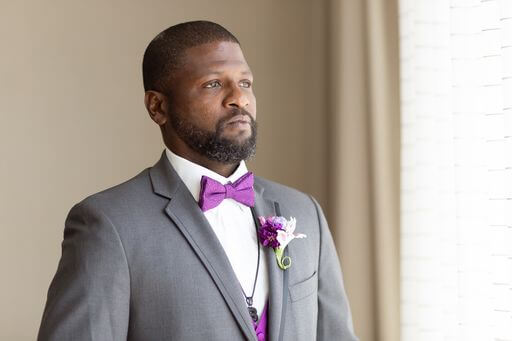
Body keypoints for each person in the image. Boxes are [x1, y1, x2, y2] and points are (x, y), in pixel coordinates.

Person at [37, 20, 358, 341]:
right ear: (157, 106)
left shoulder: (303, 212)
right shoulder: (109, 224)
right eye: (213, 84)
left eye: (245, 83)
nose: (239, 99)